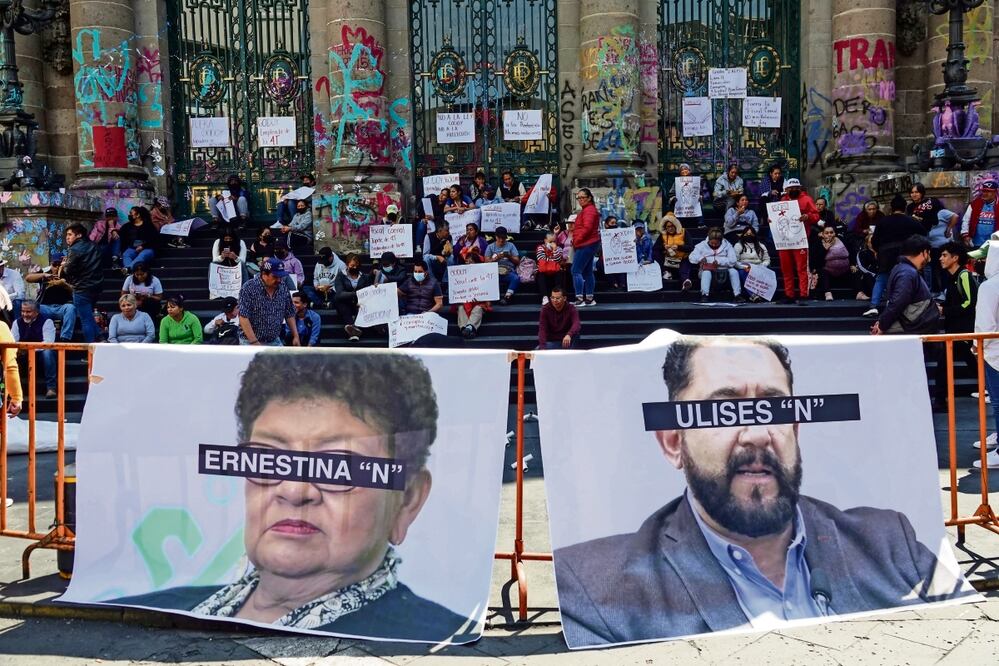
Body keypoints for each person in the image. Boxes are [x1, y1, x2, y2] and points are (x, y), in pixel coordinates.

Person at [554, 335, 977, 648]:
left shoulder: (889, 541)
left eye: (774, 407)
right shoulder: (596, 586)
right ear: (672, 442)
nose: (757, 434)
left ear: (795, 430)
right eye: (724, 409)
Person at [113, 351, 472, 642]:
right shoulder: (156, 608)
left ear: (407, 500)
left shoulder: (438, 636)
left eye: (337, 467)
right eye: (270, 459)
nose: (294, 490)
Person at [932, 242, 979, 412]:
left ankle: (939, 401)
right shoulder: (952, 277)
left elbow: (969, 302)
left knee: (944, 366)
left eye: (944, 255)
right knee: (971, 364)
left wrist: (945, 309)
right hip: (955, 330)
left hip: (962, 330)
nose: (940, 259)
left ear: (955, 258)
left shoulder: (964, 275)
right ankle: (940, 401)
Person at [866, 195, 926, 318]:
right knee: (905, 278)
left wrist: (878, 251)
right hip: (905, 253)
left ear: (891, 208)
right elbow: (923, 234)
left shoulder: (883, 221)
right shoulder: (911, 221)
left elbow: (875, 240)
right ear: (904, 207)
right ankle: (900, 304)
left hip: (885, 253)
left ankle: (874, 306)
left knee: (882, 278)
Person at [871, 235, 939, 336]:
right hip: (913, 329)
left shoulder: (903, 269)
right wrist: (882, 325)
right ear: (924, 252)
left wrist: (882, 322)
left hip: (913, 328)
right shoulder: (907, 272)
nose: (929, 259)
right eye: (929, 254)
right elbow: (898, 301)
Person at [974, 248, 999, 466]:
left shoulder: (989, 287)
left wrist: (976, 346)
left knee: (998, 402)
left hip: (995, 353)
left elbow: (985, 324)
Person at [237, 257, 299, 347]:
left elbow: (289, 312)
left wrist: (295, 336)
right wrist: (254, 342)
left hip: (274, 340)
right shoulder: (248, 288)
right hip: (249, 341)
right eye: (275, 276)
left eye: (280, 277)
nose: (278, 280)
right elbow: (243, 317)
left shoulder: (283, 287)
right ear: (264, 274)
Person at [777, 178, 820, 305]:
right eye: (791, 188)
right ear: (786, 190)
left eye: (796, 187)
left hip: (800, 239)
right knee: (786, 268)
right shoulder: (783, 200)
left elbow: (816, 215)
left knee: (801, 268)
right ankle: (789, 294)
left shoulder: (807, 199)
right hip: (784, 240)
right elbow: (777, 215)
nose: (793, 190)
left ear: (800, 188)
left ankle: (803, 295)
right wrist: (771, 220)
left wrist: (808, 216)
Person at [61, 223, 104, 343]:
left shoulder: (74, 249)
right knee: (89, 316)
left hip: (82, 288)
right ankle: (101, 338)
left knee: (86, 319)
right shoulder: (94, 246)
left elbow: (67, 270)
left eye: (70, 234)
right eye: (67, 235)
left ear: (79, 235)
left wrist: (64, 265)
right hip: (97, 286)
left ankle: (91, 350)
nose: (67, 237)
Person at [25, 253, 76, 342]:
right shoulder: (45, 273)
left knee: (71, 308)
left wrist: (65, 285)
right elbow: (28, 278)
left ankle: (65, 338)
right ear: (51, 264)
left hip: (63, 307)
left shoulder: (68, 274)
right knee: (34, 309)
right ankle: (35, 336)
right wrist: (43, 275)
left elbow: (76, 291)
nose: (56, 267)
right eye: (54, 264)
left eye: (59, 264)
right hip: (46, 307)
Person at [11, 301, 58, 397]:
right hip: (23, 355)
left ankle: (51, 387)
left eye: (28, 312)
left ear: (36, 312)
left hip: (40, 356)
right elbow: (13, 342)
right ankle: (12, 389)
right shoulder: (17, 322)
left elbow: (48, 343)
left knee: (48, 352)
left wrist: (30, 349)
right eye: (22, 311)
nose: (24, 314)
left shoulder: (47, 322)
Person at [688, 228, 743, 303]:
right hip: (707, 270)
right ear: (708, 240)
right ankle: (704, 295)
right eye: (712, 243)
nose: (714, 245)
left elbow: (733, 260)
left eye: (716, 244)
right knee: (706, 272)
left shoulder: (727, 245)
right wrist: (700, 258)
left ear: (721, 241)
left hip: (724, 270)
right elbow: (691, 257)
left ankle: (737, 295)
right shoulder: (701, 245)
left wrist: (720, 261)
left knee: (734, 272)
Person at [333, 254, 373, 341]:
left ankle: (353, 330)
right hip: (345, 303)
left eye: (356, 265)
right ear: (347, 265)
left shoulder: (364, 277)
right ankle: (352, 326)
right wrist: (355, 294)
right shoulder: (341, 276)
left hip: (360, 303)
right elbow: (340, 293)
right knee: (338, 300)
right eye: (352, 265)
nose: (354, 267)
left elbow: (368, 291)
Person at [571, 188, 600, 307]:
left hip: (586, 243)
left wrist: (577, 241)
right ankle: (589, 298)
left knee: (575, 270)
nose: (580, 200)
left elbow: (587, 228)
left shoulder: (588, 211)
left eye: (583, 197)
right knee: (587, 271)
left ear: (589, 198)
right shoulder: (589, 210)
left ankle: (579, 298)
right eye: (579, 198)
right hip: (590, 243)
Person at [811, 225, 853, 301]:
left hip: (844, 270)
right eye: (826, 233)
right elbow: (816, 261)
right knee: (822, 272)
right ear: (822, 234)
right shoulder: (818, 243)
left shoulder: (842, 240)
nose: (829, 234)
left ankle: (860, 293)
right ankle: (827, 293)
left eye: (831, 232)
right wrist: (825, 249)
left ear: (835, 233)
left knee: (856, 272)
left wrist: (853, 265)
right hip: (828, 271)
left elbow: (851, 253)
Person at [733, 226, 770, 301]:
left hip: (758, 266)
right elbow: (735, 261)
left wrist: (762, 266)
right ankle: (753, 295)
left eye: (751, 234)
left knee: (769, 272)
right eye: (747, 234)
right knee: (743, 273)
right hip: (745, 266)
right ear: (743, 235)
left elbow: (767, 260)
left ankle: (764, 294)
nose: (749, 236)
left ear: (754, 235)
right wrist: (744, 267)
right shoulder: (738, 245)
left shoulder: (761, 246)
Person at [667, 163, 709, 229]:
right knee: (674, 202)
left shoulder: (695, 181)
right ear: (680, 172)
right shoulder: (677, 182)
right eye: (682, 170)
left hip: (693, 202)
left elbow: (700, 192)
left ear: (689, 170)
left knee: (699, 201)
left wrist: (700, 196)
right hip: (681, 202)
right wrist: (674, 197)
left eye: (686, 169)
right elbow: (671, 193)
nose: (684, 171)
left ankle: (701, 223)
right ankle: (677, 223)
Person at [486, 226, 521, 305]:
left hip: (508, 271)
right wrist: (496, 258)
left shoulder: (511, 245)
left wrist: (509, 256)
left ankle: (507, 297)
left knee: (515, 278)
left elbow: (517, 261)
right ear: (496, 237)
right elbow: (486, 262)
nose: (501, 240)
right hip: (494, 272)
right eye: (499, 238)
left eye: (503, 238)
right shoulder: (490, 247)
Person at [655, 213, 692, 287]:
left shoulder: (684, 232)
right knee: (656, 253)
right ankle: (666, 272)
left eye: (672, 226)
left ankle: (686, 282)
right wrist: (663, 247)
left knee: (684, 268)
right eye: (668, 226)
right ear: (665, 227)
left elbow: (691, 247)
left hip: (682, 259)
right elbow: (656, 247)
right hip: (669, 261)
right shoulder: (663, 235)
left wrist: (679, 247)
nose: (670, 228)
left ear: (676, 225)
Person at [120, 206, 159, 273]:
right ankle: (129, 270)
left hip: (147, 249)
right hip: (132, 249)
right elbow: (122, 238)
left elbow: (154, 239)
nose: (129, 215)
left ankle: (128, 269)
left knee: (143, 255)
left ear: (138, 215)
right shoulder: (126, 226)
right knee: (126, 254)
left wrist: (143, 246)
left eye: (131, 213)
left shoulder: (148, 225)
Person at [962, 180, 998, 248]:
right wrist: (965, 235)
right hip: (976, 243)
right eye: (984, 191)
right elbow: (966, 220)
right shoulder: (975, 204)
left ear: (995, 192)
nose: (985, 193)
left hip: (994, 244)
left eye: (988, 191)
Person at [535, 230, 564, 305]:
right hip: (544, 271)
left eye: (554, 241)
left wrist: (554, 250)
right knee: (540, 274)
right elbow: (541, 259)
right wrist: (553, 260)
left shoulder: (559, 249)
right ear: (545, 240)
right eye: (550, 241)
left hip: (555, 271)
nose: (552, 243)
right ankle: (545, 297)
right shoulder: (540, 248)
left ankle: (559, 295)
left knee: (560, 272)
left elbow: (558, 259)